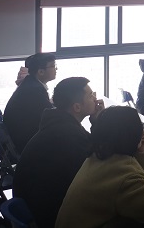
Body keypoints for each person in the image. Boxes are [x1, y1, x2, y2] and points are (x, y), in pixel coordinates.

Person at [55, 106, 144, 228]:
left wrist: (140, 150)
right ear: (131, 134)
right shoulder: (122, 171)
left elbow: (136, 185)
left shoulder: (99, 156)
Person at [13, 77, 105, 228]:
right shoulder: (67, 134)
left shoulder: (58, 122)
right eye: (90, 96)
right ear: (77, 107)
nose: (95, 98)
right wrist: (101, 123)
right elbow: (99, 162)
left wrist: (96, 122)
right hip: (50, 214)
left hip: (35, 205)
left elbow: (91, 148)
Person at [4, 53, 57, 153]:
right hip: (24, 142)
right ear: (41, 72)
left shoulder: (30, 83)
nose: (56, 69)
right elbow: (51, 115)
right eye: (53, 66)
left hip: (16, 137)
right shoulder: (35, 90)